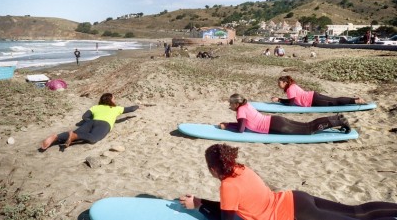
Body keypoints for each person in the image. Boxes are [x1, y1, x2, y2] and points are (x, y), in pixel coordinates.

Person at [180, 143, 397, 220]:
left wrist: (199, 208)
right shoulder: (240, 169)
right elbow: (233, 208)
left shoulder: (228, 186)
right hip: (296, 198)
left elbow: (227, 218)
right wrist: (201, 201)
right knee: (357, 211)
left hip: (296, 214)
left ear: (212, 169)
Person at [41, 93, 139, 151]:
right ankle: (74, 137)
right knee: (94, 138)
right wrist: (138, 106)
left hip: (91, 122)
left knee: (77, 132)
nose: (115, 100)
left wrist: (90, 122)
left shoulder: (95, 107)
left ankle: (56, 137)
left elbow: (84, 116)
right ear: (111, 101)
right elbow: (131, 109)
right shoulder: (116, 108)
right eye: (114, 98)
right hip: (105, 124)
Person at [218, 94, 351, 135]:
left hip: (275, 126)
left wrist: (227, 125)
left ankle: (337, 121)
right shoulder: (247, 105)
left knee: (308, 130)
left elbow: (241, 129)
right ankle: (336, 118)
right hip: (275, 120)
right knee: (307, 125)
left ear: (236, 104)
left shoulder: (241, 110)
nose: (230, 106)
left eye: (231, 104)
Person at [271, 75, 366, 107]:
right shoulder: (292, 85)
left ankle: (356, 101)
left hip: (312, 100)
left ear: (284, 82)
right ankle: (356, 99)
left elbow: (291, 103)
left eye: (279, 83)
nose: (278, 85)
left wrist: (279, 100)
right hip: (312, 96)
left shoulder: (290, 89)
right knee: (334, 100)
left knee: (334, 102)